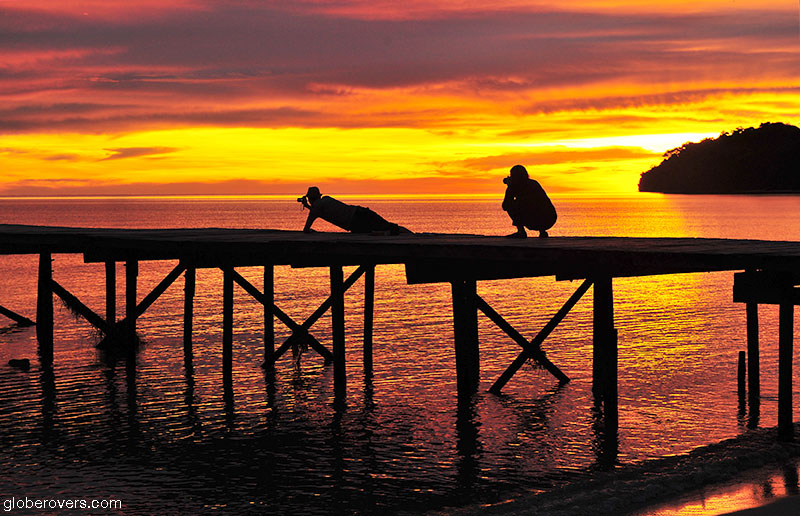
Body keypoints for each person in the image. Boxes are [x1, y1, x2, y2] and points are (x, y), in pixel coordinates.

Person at [300, 186, 411, 235]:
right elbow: (320, 212)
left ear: (310, 198)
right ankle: (412, 235)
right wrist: (308, 206)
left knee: (388, 229)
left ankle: (412, 236)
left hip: (356, 222)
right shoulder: (326, 199)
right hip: (359, 212)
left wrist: (310, 231)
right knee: (389, 227)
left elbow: (307, 228)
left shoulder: (316, 208)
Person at [501, 165, 557, 238]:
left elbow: (506, 206)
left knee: (514, 205)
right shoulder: (534, 183)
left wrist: (510, 188)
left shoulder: (519, 188)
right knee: (521, 205)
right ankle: (542, 232)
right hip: (550, 219)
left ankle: (521, 231)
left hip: (540, 219)